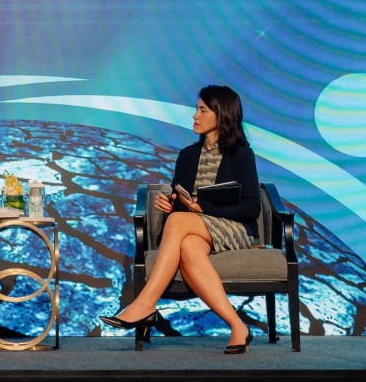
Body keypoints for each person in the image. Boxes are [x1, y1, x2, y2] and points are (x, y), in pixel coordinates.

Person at [100, 85, 261, 353]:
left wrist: (202, 209)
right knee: (186, 246)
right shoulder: (187, 155)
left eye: (202, 110)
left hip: (234, 227)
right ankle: (238, 327)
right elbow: (180, 198)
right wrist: (169, 203)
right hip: (194, 228)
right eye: (196, 109)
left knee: (177, 223)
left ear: (221, 115)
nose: (195, 116)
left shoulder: (242, 154)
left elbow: (252, 208)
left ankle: (145, 303)